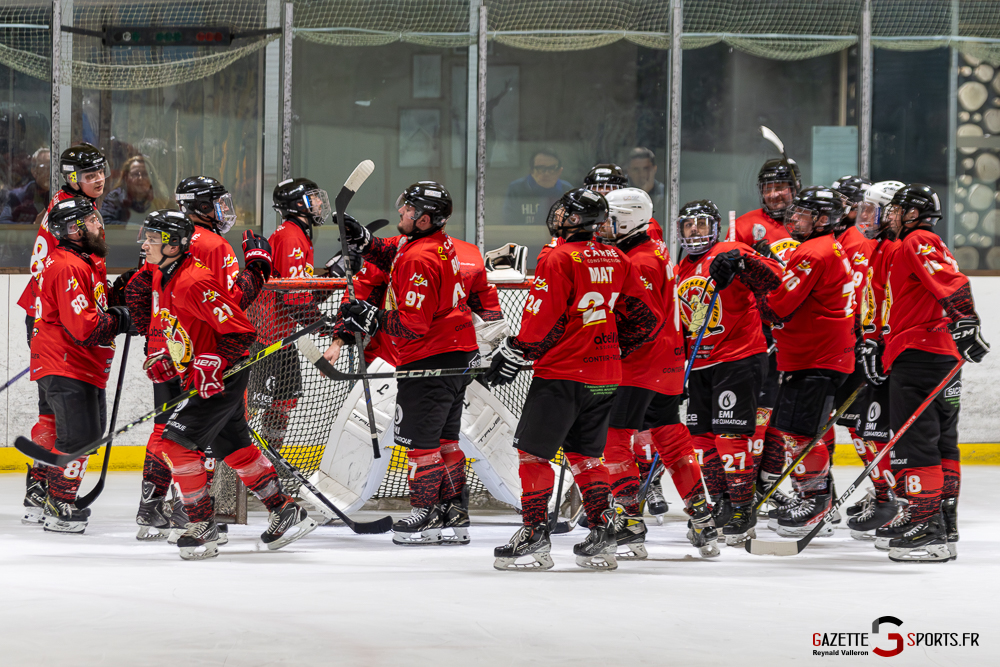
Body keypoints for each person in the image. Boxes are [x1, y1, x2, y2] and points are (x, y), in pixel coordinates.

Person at [487, 188, 656, 571]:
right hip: (605, 375)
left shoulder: (559, 257)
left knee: (533, 453)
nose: (559, 216)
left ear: (576, 219)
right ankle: (603, 527)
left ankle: (533, 533)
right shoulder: (617, 256)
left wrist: (515, 353)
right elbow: (646, 318)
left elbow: (542, 318)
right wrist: (610, 348)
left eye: (565, 212)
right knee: (584, 454)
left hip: (563, 375)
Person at [139, 209, 316, 560]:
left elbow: (241, 331)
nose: (145, 244)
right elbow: (188, 332)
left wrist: (215, 361)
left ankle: (202, 525)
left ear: (174, 245)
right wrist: (169, 359)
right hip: (205, 375)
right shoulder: (164, 277)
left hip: (225, 375)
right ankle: (284, 510)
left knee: (176, 442)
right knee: (234, 449)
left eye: (153, 239)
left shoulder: (194, 281)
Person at [328, 181, 480, 547]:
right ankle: (453, 511)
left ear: (424, 219)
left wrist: (370, 315)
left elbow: (412, 325)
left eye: (408, 210)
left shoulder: (419, 258)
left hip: (429, 359)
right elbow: (388, 251)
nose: (401, 212)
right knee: (445, 440)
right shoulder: (432, 243)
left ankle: (425, 514)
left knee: (420, 444)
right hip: (455, 354)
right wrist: (363, 238)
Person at [125, 175, 271, 542]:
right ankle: (191, 513)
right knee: (193, 436)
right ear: (202, 207)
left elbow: (139, 288)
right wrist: (258, 270)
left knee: (169, 428)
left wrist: (152, 337)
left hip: (170, 349)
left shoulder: (164, 243)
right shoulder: (212, 244)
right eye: (218, 203)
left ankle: (152, 505)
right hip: (203, 352)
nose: (224, 211)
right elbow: (231, 304)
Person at [863, 184, 989, 563]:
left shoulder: (917, 239)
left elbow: (950, 281)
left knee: (916, 443)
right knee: (941, 443)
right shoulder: (916, 242)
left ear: (912, 214)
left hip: (920, 355)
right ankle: (943, 524)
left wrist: (966, 322)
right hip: (936, 356)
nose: (891, 216)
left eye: (897, 210)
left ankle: (927, 527)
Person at [597, 188, 713, 558]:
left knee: (613, 441)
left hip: (640, 365)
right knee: (670, 436)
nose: (604, 226)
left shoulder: (639, 261)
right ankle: (702, 518)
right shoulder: (654, 250)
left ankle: (630, 521)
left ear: (628, 219)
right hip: (668, 363)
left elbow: (641, 320)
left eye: (611, 218)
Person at [675, 199, 783, 546]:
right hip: (700, 364)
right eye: (688, 224)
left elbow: (777, 277)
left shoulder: (731, 249)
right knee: (700, 439)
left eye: (702, 224)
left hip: (738, 358)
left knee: (729, 437)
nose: (695, 230)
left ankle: (742, 507)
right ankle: (721, 501)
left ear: (716, 227)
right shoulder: (680, 269)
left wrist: (743, 261)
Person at [17, 143, 108, 525]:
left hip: (53, 316)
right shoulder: (68, 214)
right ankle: (49, 489)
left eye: (101, 171)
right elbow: (59, 275)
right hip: (55, 320)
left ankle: (41, 485)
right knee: (64, 414)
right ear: (72, 179)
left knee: (55, 414)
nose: (99, 179)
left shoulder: (76, 207)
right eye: (90, 175)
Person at [29, 197, 131, 533]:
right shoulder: (68, 266)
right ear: (73, 229)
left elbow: (95, 307)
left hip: (80, 363)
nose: (98, 225)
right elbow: (84, 326)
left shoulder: (83, 262)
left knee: (87, 434)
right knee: (78, 437)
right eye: (90, 221)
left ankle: (55, 497)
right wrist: (119, 321)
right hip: (65, 362)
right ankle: (59, 503)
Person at [758, 187, 855, 538]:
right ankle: (816, 498)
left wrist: (754, 274)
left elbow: (776, 306)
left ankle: (814, 502)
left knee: (800, 433)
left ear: (823, 219)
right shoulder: (825, 247)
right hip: (822, 355)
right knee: (803, 430)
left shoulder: (812, 253)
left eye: (803, 213)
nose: (793, 218)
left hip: (815, 357)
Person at [733, 157, 804, 515]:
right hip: (760, 337)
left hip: (805, 337)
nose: (775, 194)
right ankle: (748, 485)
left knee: (798, 418)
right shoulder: (745, 226)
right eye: (768, 188)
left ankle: (805, 488)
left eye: (782, 186)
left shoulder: (808, 223)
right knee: (760, 413)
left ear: (796, 187)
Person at [250, 178, 334, 451]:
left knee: (284, 400)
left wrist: (334, 273)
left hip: (281, 335)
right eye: (314, 197)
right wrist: (324, 326)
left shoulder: (298, 234)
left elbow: (303, 294)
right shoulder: (290, 236)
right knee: (250, 404)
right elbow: (295, 301)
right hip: (265, 337)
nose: (320, 202)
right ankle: (223, 466)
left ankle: (270, 455)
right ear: (299, 204)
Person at [846, 180, 907, 541]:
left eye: (871, 209)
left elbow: (894, 304)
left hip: (891, 354)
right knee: (866, 430)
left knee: (882, 432)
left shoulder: (897, 249)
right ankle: (886, 495)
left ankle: (896, 502)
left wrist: (879, 344)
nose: (862, 216)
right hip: (872, 350)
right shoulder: (877, 246)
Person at [502, 148, 572, 226]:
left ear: (559, 171)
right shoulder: (516, 189)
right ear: (531, 171)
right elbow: (510, 223)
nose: (546, 173)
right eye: (540, 168)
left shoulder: (567, 190)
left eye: (552, 168)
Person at [100, 155, 170, 225]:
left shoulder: (160, 199)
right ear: (126, 178)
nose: (140, 178)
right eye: (135, 174)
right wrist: (136, 228)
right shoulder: (115, 198)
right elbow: (105, 224)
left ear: (151, 178)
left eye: (145, 174)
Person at [0, 148, 50, 223]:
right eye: (44, 168)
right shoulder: (18, 196)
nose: (50, 173)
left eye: (51, 168)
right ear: (34, 172)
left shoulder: (61, 194)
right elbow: (4, 223)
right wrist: (33, 225)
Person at [625, 147, 665, 219]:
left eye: (646, 168)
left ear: (654, 169)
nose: (641, 174)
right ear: (628, 171)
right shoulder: (621, 191)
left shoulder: (664, 192)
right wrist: (643, 193)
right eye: (636, 169)